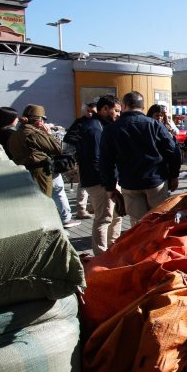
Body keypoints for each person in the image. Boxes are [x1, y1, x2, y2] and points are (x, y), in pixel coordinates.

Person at [100, 91, 181, 225]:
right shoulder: (154, 125)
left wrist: (110, 187)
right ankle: (158, 244)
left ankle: (142, 244)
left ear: (124, 105)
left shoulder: (111, 129)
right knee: (159, 220)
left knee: (138, 224)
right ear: (143, 107)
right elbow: (173, 151)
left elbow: (105, 161)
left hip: (130, 183)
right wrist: (174, 175)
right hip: (156, 181)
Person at [78, 95, 123, 254]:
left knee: (117, 215)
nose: (118, 114)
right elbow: (95, 159)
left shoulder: (101, 126)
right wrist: (107, 184)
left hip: (107, 179)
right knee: (104, 218)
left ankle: (113, 248)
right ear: (104, 109)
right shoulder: (95, 128)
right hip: (100, 182)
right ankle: (101, 254)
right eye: (116, 111)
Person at [65, 103, 98, 218]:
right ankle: (81, 209)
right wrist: (81, 144)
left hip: (96, 158)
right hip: (84, 158)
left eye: (92, 111)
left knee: (96, 184)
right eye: (88, 111)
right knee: (83, 184)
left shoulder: (100, 122)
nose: (89, 113)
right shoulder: (80, 122)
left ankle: (92, 207)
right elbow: (69, 138)